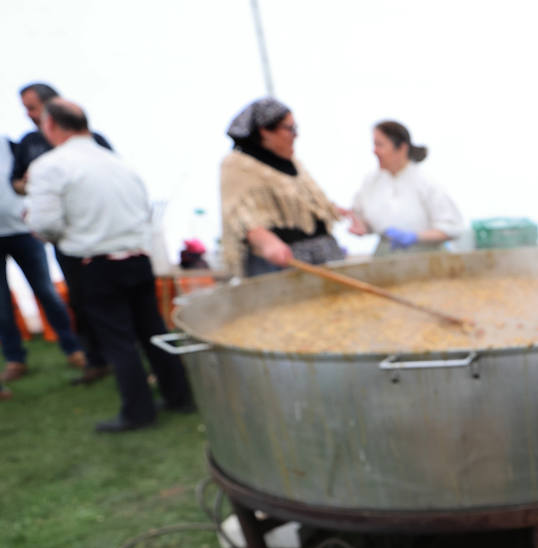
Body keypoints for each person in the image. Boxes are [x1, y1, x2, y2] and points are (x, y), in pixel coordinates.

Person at [25, 99, 193, 433]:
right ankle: (180, 397)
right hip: (136, 257)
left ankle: (139, 412)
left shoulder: (50, 166)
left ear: (50, 126)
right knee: (153, 332)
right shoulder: (118, 162)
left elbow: (46, 225)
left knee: (118, 340)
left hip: (95, 264)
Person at [12, 82, 114, 384]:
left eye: (31, 107)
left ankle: (126, 358)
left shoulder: (93, 142)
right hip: (67, 242)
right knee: (80, 299)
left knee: (113, 300)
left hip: (102, 235)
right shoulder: (29, 142)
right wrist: (31, 184)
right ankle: (94, 358)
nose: (28, 115)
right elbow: (16, 183)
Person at [220, 97, 343, 277]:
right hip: (280, 264)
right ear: (265, 131)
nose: (296, 135)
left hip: (322, 257)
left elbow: (309, 204)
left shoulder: (292, 162)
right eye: (290, 129)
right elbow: (239, 217)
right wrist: (266, 242)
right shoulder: (238, 166)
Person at [1, 135, 86, 381]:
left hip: (24, 231)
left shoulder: (11, 146)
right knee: (1, 305)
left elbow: (27, 182)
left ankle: (73, 348)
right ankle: (15, 359)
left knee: (46, 291)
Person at [347, 120, 464, 255]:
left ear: (402, 148)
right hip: (385, 255)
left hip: (425, 257)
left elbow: (453, 228)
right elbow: (361, 216)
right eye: (374, 144)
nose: (374, 151)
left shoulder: (425, 182)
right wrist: (362, 226)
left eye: (380, 145)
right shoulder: (370, 182)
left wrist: (415, 237)